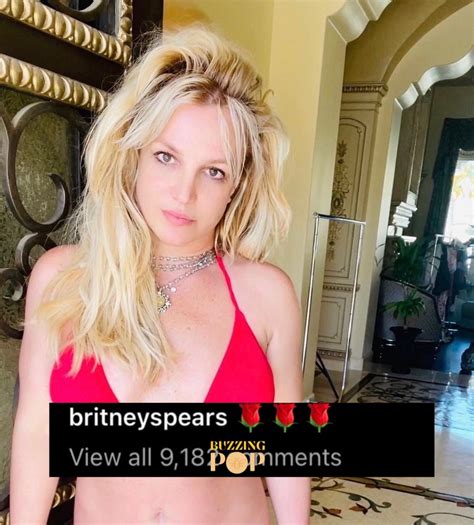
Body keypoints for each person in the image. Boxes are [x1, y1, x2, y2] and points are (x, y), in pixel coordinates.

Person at [10, 25, 310, 524]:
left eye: (214, 171)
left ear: (237, 185)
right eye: (166, 157)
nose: (184, 194)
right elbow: (39, 430)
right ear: (133, 155)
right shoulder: (62, 279)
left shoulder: (266, 294)